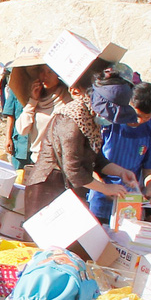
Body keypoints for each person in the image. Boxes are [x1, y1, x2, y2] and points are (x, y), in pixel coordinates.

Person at [19, 66, 134, 220]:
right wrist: (106, 188)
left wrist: (120, 172)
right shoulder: (72, 118)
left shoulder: (91, 118)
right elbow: (72, 169)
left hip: (70, 189)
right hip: (48, 187)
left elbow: (96, 159)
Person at [94, 86, 151, 225]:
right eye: (136, 115)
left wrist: (149, 189)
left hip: (129, 200)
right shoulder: (109, 120)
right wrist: (103, 187)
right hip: (98, 194)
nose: (139, 121)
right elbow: (91, 160)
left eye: (146, 117)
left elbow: (150, 165)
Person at [0, 45, 62, 169]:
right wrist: (8, 138)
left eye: (49, 72)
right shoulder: (20, 89)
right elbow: (10, 114)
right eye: (42, 71)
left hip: (49, 159)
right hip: (21, 143)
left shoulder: (62, 99)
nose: (44, 76)